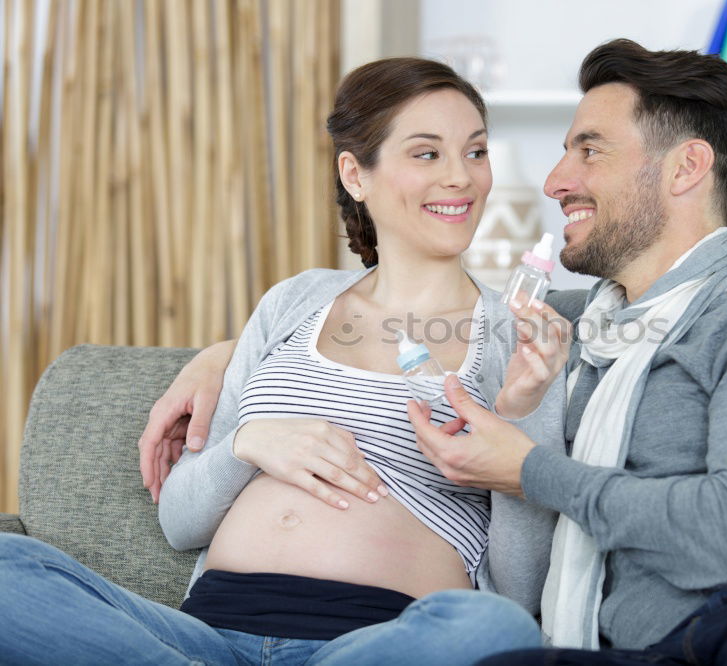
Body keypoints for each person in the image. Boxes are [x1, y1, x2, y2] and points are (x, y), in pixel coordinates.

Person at [139, 40, 727, 665]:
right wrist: (226, 358)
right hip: (651, 636)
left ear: (686, 168)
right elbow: (411, 311)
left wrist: (527, 463)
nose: (551, 179)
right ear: (356, 174)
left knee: (491, 636)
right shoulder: (578, 324)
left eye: (589, 150)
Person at [0, 56, 571, 665]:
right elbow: (181, 521)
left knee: (490, 627)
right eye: (427, 154)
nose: (461, 177)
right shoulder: (294, 302)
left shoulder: (522, 336)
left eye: (476, 152)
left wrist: (516, 417)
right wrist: (251, 441)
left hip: (374, 642)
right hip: (207, 638)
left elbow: (519, 586)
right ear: (356, 174)